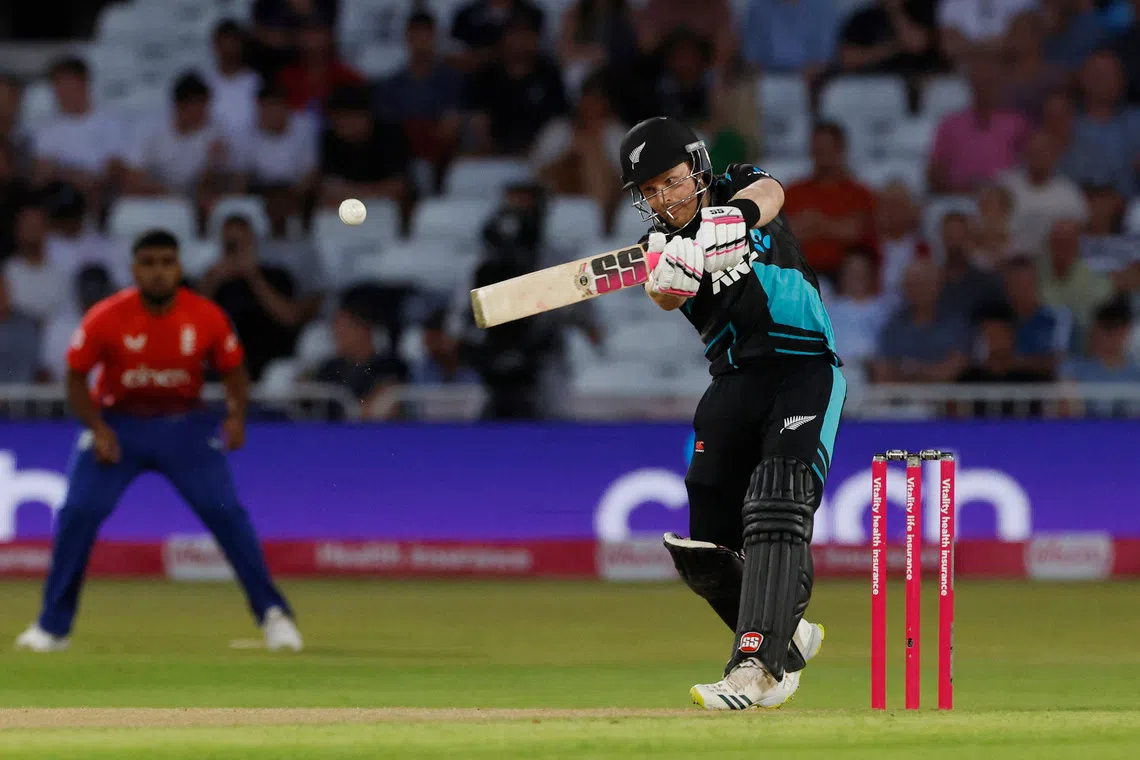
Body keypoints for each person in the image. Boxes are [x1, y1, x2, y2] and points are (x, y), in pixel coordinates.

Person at [616, 116, 840, 709]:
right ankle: (788, 637)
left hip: (803, 368)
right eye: (650, 191)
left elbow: (771, 195)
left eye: (670, 181)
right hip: (734, 382)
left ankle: (756, 668)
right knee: (703, 546)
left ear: (696, 166)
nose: (663, 197)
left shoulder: (739, 184)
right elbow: (661, 295)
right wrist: (672, 274)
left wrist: (730, 220)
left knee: (777, 500)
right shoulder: (657, 245)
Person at [14, 230, 302, 653]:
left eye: (167, 262)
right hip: (119, 426)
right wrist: (97, 427)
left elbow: (234, 369)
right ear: (134, 270)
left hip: (185, 426)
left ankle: (274, 615)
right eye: (148, 263)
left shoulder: (205, 316)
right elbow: (76, 378)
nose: (158, 272)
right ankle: (52, 627)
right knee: (78, 513)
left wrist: (237, 414)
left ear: (179, 268)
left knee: (226, 514)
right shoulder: (106, 315)